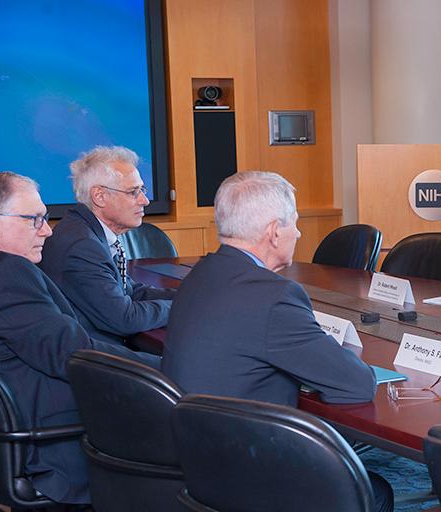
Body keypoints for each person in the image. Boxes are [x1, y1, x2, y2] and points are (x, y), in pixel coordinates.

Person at [162, 171, 392, 511]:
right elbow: (356, 385)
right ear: (274, 232)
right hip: (249, 468)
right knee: (375, 492)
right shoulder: (274, 296)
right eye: (295, 223)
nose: (298, 232)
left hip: (195, 459)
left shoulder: (201, 273)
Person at [0, 172, 159, 505]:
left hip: (14, 430)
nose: (48, 230)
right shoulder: (6, 274)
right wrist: (166, 365)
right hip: (57, 445)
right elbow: (76, 356)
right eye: (34, 219)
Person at [40, 146, 175, 346]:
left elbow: (129, 291)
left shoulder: (86, 230)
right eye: (133, 192)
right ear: (99, 196)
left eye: (142, 191)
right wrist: (182, 307)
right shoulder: (82, 246)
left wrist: (187, 296)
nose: (144, 200)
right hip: (93, 359)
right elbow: (125, 319)